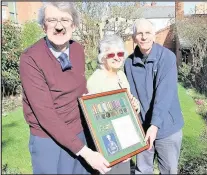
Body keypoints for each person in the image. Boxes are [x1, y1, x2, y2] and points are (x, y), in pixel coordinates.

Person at [19, 2, 111, 174]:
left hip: (80, 132)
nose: (59, 26)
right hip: (48, 142)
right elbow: (45, 115)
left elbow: (81, 92)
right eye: (52, 20)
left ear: (74, 25)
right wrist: (86, 153)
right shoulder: (30, 59)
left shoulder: (77, 49)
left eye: (65, 20)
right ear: (43, 25)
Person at [124, 18, 184, 174]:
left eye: (148, 33)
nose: (144, 37)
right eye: (140, 33)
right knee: (142, 170)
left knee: (169, 170)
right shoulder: (128, 63)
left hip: (167, 129)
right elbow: (128, 94)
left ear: (155, 35)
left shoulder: (167, 58)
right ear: (133, 37)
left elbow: (164, 94)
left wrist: (155, 125)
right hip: (142, 129)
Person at [86, 34, 140, 174]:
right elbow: (94, 120)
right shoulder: (95, 81)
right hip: (109, 148)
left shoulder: (120, 75)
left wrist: (135, 105)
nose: (117, 57)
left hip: (125, 142)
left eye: (120, 53)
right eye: (111, 54)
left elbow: (129, 102)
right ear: (103, 57)